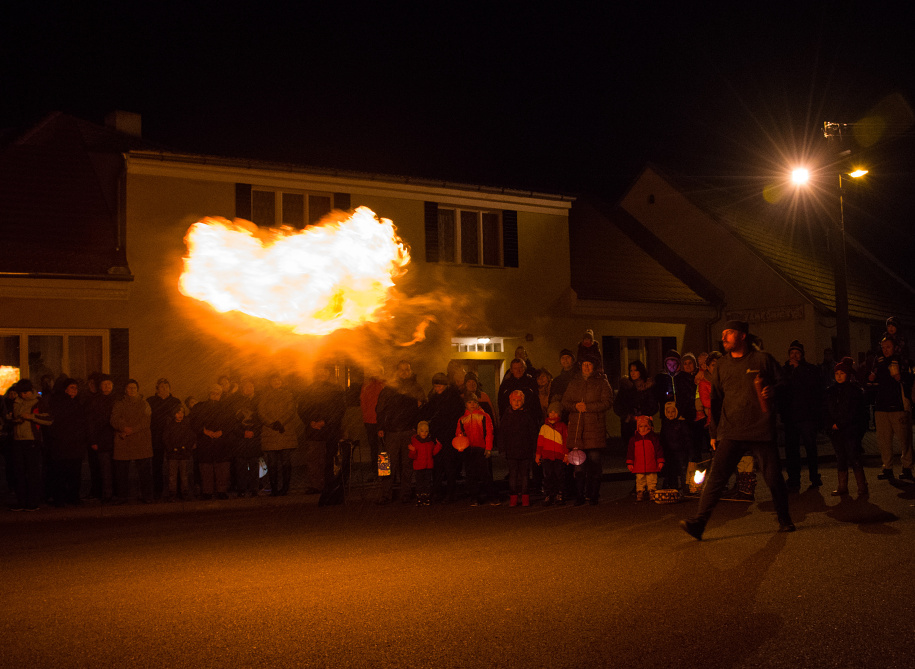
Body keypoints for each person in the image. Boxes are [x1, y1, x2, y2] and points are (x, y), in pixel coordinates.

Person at [680, 320, 794, 540]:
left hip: (760, 430)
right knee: (716, 478)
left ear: (742, 335)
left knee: (773, 477)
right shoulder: (722, 365)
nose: (724, 337)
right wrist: (714, 432)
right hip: (731, 430)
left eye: (729, 333)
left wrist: (774, 389)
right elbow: (716, 400)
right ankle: (699, 523)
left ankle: (784, 518)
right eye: (723, 333)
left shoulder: (762, 359)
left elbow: (786, 384)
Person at [562, 358, 613, 505]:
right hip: (577, 429)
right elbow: (565, 402)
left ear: (594, 367)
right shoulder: (574, 382)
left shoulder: (602, 382)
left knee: (594, 463)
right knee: (578, 466)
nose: (586, 367)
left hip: (595, 429)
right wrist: (575, 406)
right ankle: (580, 495)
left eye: (589, 364)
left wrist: (588, 407)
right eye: (584, 364)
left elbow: (607, 402)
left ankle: (593, 494)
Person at [375, 360, 425, 504]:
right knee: (386, 463)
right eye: (401, 369)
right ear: (397, 371)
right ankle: (385, 494)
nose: (404, 372)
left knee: (407, 465)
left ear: (411, 371)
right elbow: (380, 408)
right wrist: (380, 427)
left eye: (407, 369)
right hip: (391, 432)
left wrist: (416, 425)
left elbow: (422, 407)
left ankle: (405, 494)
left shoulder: (416, 388)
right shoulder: (389, 388)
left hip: (409, 431)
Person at [779, 340, 825, 491]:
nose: (794, 355)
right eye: (792, 353)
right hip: (790, 417)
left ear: (802, 355)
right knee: (792, 450)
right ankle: (794, 479)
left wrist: (798, 369)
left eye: (797, 353)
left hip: (806, 416)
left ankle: (814, 477)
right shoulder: (785, 370)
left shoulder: (810, 369)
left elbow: (813, 387)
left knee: (810, 448)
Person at [867, 336, 914, 481]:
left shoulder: (901, 360)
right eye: (883, 347)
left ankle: (907, 467)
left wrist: (900, 377)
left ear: (895, 347)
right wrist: (871, 379)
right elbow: (873, 379)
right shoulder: (879, 361)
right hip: (882, 406)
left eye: (888, 346)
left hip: (898, 406)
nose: (885, 350)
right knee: (884, 440)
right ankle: (887, 467)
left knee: (905, 440)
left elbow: (910, 379)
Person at [299, 364, 346, 495]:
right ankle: (316, 485)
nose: (322, 373)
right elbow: (302, 408)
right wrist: (310, 421)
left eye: (324, 371)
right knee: (314, 460)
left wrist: (325, 422)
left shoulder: (335, 390)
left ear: (328, 373)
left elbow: (339, 410)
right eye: (319, 371)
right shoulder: (308, 390)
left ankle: (330, 484)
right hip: (314, 431)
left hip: (330, 431)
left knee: (330, 459)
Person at [826, 359, 869, 496]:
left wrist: (841, 423)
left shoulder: (854, 391)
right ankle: (842, 486)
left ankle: (862, 486)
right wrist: (830, 424)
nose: (839, 376)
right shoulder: (831, 391)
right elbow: (826, 410)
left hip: (850, 430)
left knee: (854, 456)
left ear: (848, 375)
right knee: (840, 458)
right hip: (835, 431)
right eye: (837, 373)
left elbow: (855, 412)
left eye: (842, 373)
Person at [9, 379, 53, 511]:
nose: (24, 395)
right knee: (19, 472)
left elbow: (49, 419)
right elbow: (11, 417)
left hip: (32, 440)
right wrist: (14, 420)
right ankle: (21, 501)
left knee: (32, 472)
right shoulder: (16, 402)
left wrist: (32, 417)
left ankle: (33, 502)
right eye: (22, 393)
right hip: (18, 440)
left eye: (26, 392)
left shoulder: (38, 402)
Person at [423, 372, 465, 502]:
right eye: (435, 386)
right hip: (437, 436)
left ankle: (450, 493)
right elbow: (429, 412)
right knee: (437, 465)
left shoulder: (453, 398)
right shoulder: (434, 398)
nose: (437, 388)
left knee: (448, 465)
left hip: (448, 436)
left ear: (445, 385)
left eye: (439, 386)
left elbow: (454, 418)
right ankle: (437, 491)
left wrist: (445, 432)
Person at [47, 378, 90, 507]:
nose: (75, 390)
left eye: (76, 388)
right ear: (65, 389)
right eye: (72, 387)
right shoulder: (58, 403)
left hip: (75, 445)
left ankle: (73, 497)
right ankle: (60, 498)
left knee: (74, 473)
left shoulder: (78, 403)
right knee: (61, 472)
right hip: (62, 444)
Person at [110, 379, 154, 504]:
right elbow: (114, 419)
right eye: (129, 387)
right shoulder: (119, 404)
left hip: (141, 441)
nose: (132, 390)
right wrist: (123, 427)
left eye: (134, 387)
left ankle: (147, 496)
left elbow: (146, 421)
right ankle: (122, 496)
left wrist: (131, 430)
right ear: (125, 389)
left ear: (137, 389)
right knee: (121, 472)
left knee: (145, 472)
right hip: (124, 443)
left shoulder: (144, 404)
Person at [190, 384, 235, 500]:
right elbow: (193, 422)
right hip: (205, 442)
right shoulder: (200, 407)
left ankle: (221, 491)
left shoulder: (226, 407)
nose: (215, 395)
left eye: (217, 393)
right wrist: (204, 431)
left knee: (222, 468)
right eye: (213, 393)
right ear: (209, 393)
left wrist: (222, 431)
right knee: (206, 468)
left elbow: (231, 423)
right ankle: (207, 491)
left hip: (222, 443)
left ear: (221, 394)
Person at [258, 373, 299, 496]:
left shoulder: (288, 395)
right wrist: (272, 423)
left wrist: (281, 423)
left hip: (285, 432)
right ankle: (274, 488)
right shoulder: (264, 396)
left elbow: (291, 410)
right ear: (270, 382)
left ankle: (285, 488)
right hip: (270, 433)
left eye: (278, 380)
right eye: (274, 380)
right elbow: (261, 412)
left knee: (285, 462)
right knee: (272, 463)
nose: (276, 382)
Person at [498, 389, 539, 507]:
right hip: (512, 451)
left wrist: (534, 449)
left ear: (523, 401)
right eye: (514, 400)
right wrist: (502, 449)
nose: (516, 402)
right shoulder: (507, 415)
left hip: (525, 450)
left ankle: (525, 498)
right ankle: (514, 498)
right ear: (510, 401)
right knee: (514, 474)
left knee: (524, 475)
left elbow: (533, 433)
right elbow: (502, 433)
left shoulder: (527, 415)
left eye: (519, 400)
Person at [456, 392, 498, 506]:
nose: (472, 404)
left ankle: (492, 496)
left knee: (485, 474)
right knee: (471, 475)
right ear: (465, 404)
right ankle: (474, 497)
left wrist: (488, 448)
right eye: (469, 402)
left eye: (474, 402)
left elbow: (489, 433)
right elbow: (459, 434)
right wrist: (460, 446)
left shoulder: (484, 416)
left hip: (481, 448)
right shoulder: (462, 419)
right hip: (468, 450)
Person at [148, 378, 183, 500]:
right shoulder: (151, 401)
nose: (164, 388)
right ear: (157, 388)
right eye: (161, 386)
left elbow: (180, 418)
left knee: (174, 464)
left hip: (172, 437)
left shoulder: (175, 402)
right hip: (156, 437)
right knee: (157, 464)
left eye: (166, 386)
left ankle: (176, 489)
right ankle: (157, 490)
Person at [614, 360, 659, 448]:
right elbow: (617, 406)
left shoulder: (647, 387)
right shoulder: (626, 387)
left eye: (635, 370)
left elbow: (654, 405)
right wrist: (626, 415)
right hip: (628, 424)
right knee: (630, 449)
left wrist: (644, 414)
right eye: (631, 370)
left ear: (641, 371)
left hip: (644, 424)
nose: (632, 373)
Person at [87, 374, 117, 502]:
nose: (107, 386)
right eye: (105, 384)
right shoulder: (94, 401)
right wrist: (93, 440)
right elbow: (91, 422)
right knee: (105, 469)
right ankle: (107, 494)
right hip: (102, 440)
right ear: (100, 386)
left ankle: (116, 493)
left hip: (116, 439)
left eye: (109, 384)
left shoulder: (117, 400)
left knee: (116, 468)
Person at [232, 378, 262, 498]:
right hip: (241, 440)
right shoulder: (236, 403)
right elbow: (233, 422)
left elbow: (261, 419)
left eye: (250, 386)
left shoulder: (258, 401)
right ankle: (242, 489)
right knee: (241, 466)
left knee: (254, 465)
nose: (248, 389)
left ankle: (254, 488)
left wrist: (254, 432)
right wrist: (242, 433)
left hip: (254, 438)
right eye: (245, 387)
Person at [536, 401, 568, 505]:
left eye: (555, 412)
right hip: (547, 456)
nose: (552, 414)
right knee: (547, 476)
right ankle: (548, 494)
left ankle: (560, 493)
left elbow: (565, 441)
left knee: (559, 476)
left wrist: (566, 454)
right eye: (551, 412)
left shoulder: (562, 426)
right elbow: (540, 443)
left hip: (559, 456)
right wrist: (538, 455)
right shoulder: (544, 427)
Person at [162, 405, 196, 501]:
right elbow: (165, 439)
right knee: (172, 475)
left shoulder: (186, 426)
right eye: (178, 413)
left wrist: (186, 448)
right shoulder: (170, 426)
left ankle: (184, 492)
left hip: (183, 454)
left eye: (182, 413)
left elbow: (191, 437)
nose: (180, 415)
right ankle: (172, 493)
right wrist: (171, 448)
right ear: (174, 414)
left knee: (184, 475)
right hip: (173, 454)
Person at [627, 415, 664, 502]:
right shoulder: (634, 439)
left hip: (651, 464)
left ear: (649, 427)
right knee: (640, 480)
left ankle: (652, 492)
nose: (643, 428)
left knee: (652, 479)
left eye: (645, 426)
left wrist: (660, 460)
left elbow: (658, 450)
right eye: (641, 426)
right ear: (638, 427)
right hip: (639, 465)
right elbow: (630, 452)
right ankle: (640, 492)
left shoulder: (653, 438)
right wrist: (630, 463)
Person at [359, 368, 385, 480]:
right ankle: (378, 472)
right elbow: (363, 402)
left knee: (381, 447)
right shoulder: (368, 385)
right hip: (372, 421)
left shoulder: (383, 385)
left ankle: (382, 472)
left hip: (379, 421)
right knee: (377, 447)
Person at [498, 358, 541, 425]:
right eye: (515, 368)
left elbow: (537, 402)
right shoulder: (506, 384)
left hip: (529, 420)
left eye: (520, 367)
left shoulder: (531, 382)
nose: (518, 370)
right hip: (511, 419)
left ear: (524, 368)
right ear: (511, 370)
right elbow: (501, 402)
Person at [660, 401, 691, 492]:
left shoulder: (681, 423)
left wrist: (687, 449)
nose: (671, 414)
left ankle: (685, 488)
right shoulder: (665, 424)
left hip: (681, 451)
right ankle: (674, 488)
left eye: (673, 411)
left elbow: (686, 437)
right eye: (668, 412)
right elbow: (663, 438)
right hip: (669, 452)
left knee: (683, 470)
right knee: (672, 470)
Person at [408, 420, 441, 506]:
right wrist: (413, 451)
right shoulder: (415, 442)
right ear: (419, 432)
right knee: (419, 483)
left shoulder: (430, 442)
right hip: (419, 467)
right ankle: (419, 498)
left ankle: (426, 497)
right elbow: (412, 456)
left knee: (427, 483)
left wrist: (438, 446)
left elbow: (433, 453)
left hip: (428, 466)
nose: (424, 433)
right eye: (422, 431)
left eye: (426, 431)